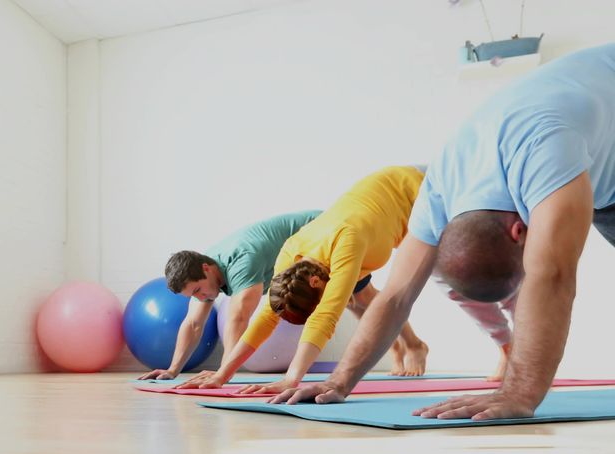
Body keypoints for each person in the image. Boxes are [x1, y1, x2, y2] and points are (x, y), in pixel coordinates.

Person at [270, 43, 615, 420]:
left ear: (519, 232)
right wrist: (339, 381)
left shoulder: (546, 152)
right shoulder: (440, 189)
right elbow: (396, 297)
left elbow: (551, 275)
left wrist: (518, 393)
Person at [177, 166, 430, 393]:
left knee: (434, 272)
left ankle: (414, 346)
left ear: (316, 283)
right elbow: (265, 318)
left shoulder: (346, 244)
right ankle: (410, 345)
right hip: (383, 205)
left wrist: (291, 379)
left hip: (415, 189)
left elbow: (326, 316)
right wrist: (223, 375)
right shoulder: (290, 251)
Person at [137, 211, 320, 380]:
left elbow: (239, 317)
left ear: (206, 269)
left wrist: (223, 372)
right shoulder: (204, 271)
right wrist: (172, 370)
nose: (200, 298)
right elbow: (193, 324)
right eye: (194, 295)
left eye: (197, 291)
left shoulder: (242, 262)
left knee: (342, 298)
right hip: (309, 250)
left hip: (323, 231)